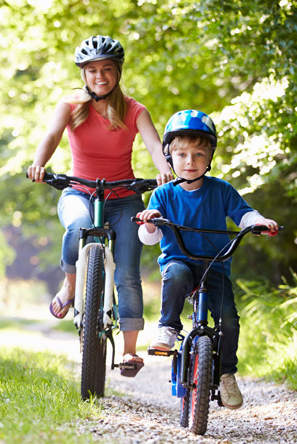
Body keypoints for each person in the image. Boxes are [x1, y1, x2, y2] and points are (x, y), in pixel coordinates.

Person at [27, 35, 174, 378]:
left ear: (118, 72)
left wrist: (164, 166)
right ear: (83, 74)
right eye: (92, 70)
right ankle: (70, 283)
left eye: (107, 69)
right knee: (77, 226)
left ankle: (130, 351)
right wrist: (39, 163)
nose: (100, 76)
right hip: (79, 192)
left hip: (124, 200)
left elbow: (154, 144)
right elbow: (50, 136)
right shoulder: (72, 105)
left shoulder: (135, 110)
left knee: (127, 274)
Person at [136, 109, 279, 409]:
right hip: (181, 261)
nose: (190, 162)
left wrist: (259, 221)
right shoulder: (163, 194)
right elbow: (150, 237)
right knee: (174, 276)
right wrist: (151, 221)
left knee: (229, 318)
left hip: (215, 264)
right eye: (183, 154)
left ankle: (226, 373)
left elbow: (244, 213)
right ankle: (168, 327)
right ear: (169, 157)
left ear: (210, 156)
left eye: (199, 154)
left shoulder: (221, 190)